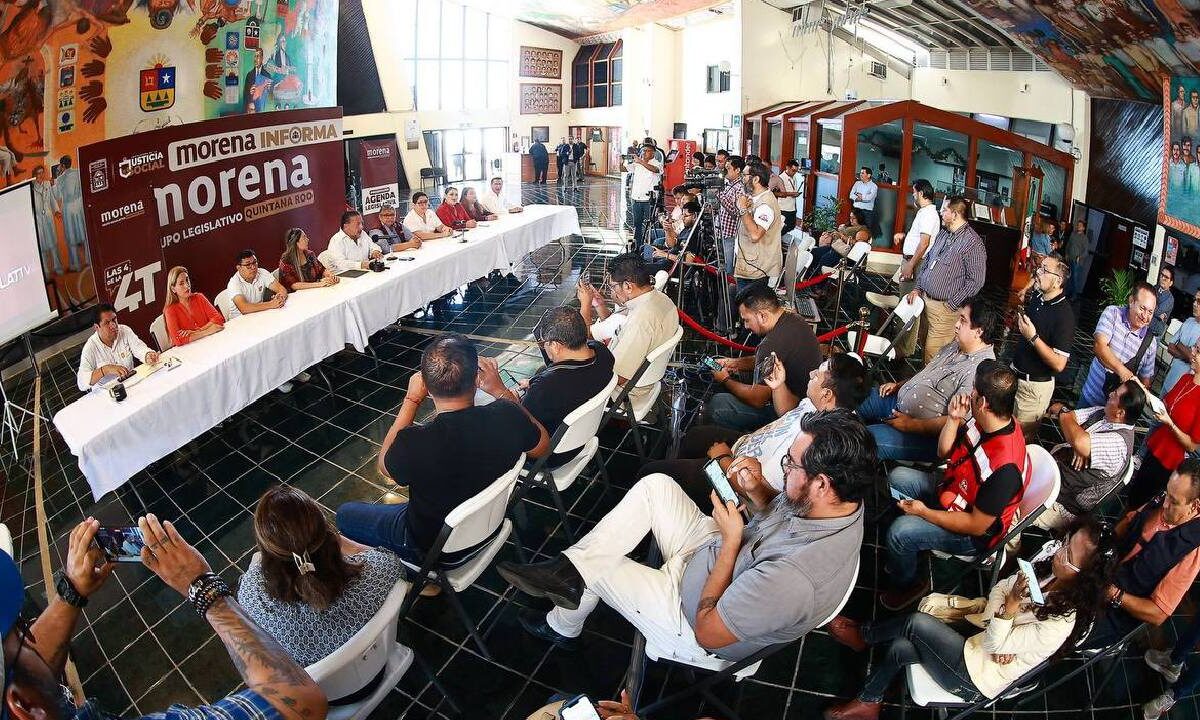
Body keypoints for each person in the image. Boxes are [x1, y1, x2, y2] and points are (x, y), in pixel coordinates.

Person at [497, 410, 877, 661]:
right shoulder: (839, 504)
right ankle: (568, 578)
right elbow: (781, 516)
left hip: (694, 618)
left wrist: (730, 542)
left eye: (790, 464)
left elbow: (711, 633)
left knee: (596, 564)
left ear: (822, 483)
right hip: (724, 554)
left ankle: (563, 620)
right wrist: (758, 488)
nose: (785, 467)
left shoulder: (797, 579)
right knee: (656, 484)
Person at [0, 517, 328, 720]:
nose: (33, 633)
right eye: (21, 634)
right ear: (26, 707)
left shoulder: (23, 696)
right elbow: (302, 703)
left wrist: (71, 592)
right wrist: (202, 587)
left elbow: (31, 671)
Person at [824, 518, 1114, 720]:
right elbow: (1000, 588)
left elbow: (997, 631)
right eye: (1064, 542)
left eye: (1068, 554)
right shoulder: (1050, 572)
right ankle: (869, 701)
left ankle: (864, 635)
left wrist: (1009, 609)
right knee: (901, 646)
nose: (1058, 551)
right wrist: (1000, 617)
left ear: (1084, 577)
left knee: (914, 623)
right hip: (976, 644)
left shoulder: (1061, 622)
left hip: (976, 680)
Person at [336, 334, 549, 564]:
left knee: (346, 515)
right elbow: (543, 447)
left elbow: (384, 466)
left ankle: (411, 569)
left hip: (436, 547)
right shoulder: (509, 413)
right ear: (478, 379)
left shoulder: (415, 443)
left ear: (425, 386)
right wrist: (501, 393)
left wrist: (411, 400)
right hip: (491, 525)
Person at [880, 360, 1029, 609]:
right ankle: (905, 554)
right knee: (898, 478)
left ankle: (909, 583)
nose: (969, 395)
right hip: (952, 489)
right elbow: (944, 451)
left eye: (974, 391)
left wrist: (924, 513)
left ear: (983, 403)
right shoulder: (987, 420)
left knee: (900, 532)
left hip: (972, 535)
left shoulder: (1005, 469)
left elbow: (975, 526)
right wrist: (952, 419)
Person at [643, 353, 869, 507]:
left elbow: (762, 499)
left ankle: (688, 502)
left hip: (737, 487)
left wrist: (723, 459)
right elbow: (787, 412)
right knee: (693, 437)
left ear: (828, 394)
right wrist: (778, 385)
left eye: (818, 374)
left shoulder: (819, 444)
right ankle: (686, 498)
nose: (812, 374)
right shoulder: (826, 403)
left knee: (652, 474)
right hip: (743, 450)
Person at [237, 486, 406, 666]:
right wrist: (344, 544)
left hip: (326, 692)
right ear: (328, 535)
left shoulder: (251, 596)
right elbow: (386, 560)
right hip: (385, 662)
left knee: (254, 560)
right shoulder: (384, 569)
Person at [857, 296, 998, 462]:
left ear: (978, 331)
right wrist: (900, 385)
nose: (956, 324)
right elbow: (929, 374)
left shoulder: (980, 370)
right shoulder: (957, 344)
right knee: (851, 395)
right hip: (898, 403)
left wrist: (912, 425)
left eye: (962, 320)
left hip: (924, 434)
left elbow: (958, 421)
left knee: (862, 443)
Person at [1079, 461, 1200, 651]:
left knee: (1056, 630)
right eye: (1167, 493)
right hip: (1101, 574)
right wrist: (1098, 547)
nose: (1165, 504)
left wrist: (1115, 594)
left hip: (1114, 613)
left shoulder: (1191, 548)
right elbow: (1129, 521)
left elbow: (1157, 613)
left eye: (1174, 502)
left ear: (1195, 507)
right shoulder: (1165, 498)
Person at [476, 307, 615, 468]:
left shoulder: (547, 386)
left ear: (555, 345)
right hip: (584, 435)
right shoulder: (602, 352)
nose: (544, 346)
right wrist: (534, 384)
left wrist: (503, 393)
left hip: (552, 454)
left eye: (544, 342)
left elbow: (522, 424)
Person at [706, 282, 821, 431]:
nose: (746, 326)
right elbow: (767, 360)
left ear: (762, 316)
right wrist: (734, 363)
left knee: (718, 405)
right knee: (743, 377)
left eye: (747, 320)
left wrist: (725, 379)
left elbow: (757, 399)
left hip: (791, 417)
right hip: (803, 404)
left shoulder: (771, 343)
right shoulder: (792, 319)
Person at [1038, 382, 1142, 532]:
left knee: (1012, 512)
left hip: (1061, 503)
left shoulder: (1118, 445)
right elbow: (1071, 416)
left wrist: (1076, 438)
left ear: (1120, 413)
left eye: (1115, 395)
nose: (1110, 393)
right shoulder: (1103, 412)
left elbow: (1077, 437)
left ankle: (1008, 551)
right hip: (1052, 474)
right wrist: (1076, 439)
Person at [576, 253, 679, 403]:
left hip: (625, 394)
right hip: (644, 381)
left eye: (613, 286)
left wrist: (585, 305)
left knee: (558, 370)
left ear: (628, 286)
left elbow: (617, 378)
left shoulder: (641, 320)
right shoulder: (662, 299)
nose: (613, 291)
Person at [909, 196, 987, 363]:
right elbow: (928, 260)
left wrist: (952, 304)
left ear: (956, 214)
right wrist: (918, 288)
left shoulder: (973, 243)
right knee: (924, 345)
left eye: (944, 210)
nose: (941, 212)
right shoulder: (944, 234)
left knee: (933, 354)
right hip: (925, 301)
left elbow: (976, 281)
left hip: (946, 309)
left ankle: (928, 387)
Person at [1126, 342, 1200, 509]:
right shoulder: (1186, 379)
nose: (1192, 352)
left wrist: (1170, 423)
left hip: (1170, 461)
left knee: (1143, 505)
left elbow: (1191, 446)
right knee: (1134, 493)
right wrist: (1143, 390)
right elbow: (1165, 405)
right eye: (1195, 347)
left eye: (1198, 350)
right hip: (1156, 447)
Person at [1011, 254, 1075, 435]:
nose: (1038, 272)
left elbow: (1059, 364)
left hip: (1033, 390)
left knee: (1020, 439)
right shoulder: (1039, 296)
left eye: (1044, 270)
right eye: (1040, 267)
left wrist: (1033, 337)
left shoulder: (1065, 317)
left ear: (1057, 281)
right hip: (1015, 376)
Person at [1080, 282, 1158, 407]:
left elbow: (1145, 380)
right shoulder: (1113, 313)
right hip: (1091, 397)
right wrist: (1123, 372)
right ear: (1131, 301)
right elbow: (1099, 347)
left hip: (1116, 412)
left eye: (1150, 312)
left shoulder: (1150, 343)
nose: (1145, 316)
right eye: (1142, 308)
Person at [890, 179, 940, 359]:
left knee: (909, 305)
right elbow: (920, 238)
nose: (912, 195)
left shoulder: (928, 214)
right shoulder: (924, 213)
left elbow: (924, 243)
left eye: (914, 192)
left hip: (915, 263)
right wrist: (904, 236)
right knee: (906, 302)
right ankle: (903, 344)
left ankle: (904, 348)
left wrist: (910, 265)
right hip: (912, 261)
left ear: (921, 193)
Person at [76, 303, 160, 391]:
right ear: (97, 327)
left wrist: (147, 355)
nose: (113, 325)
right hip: (106, 393)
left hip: (131, 384)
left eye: (114, 319)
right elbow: (81, 383)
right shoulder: (90, 347)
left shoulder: (124, 330)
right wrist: (105, 369)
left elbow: (139, 349)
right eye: (107, 323)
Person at [732, 163, 783, 292]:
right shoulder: (757, 199)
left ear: (756, 179)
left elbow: (755, 235)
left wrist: (743, 209)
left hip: (756, 270)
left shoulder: (765, 205)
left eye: (744, 175)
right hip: (750, 266)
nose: (741, 178)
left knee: (749, 309)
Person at [163, 265, 224, 347]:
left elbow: (218, 319)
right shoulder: (170, 310)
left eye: (187, 280)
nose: (187, 285)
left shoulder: (199, 297)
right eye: (181, 283)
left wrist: (196, 332)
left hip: (211, 343)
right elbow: (178, 340)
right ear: (173, 289)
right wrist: (208, 331)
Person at [222, 249, 288, 319]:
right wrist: (271, 304)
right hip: (240, 320)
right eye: (248, 265)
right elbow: (244, 308)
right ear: (239, 268)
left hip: (259, 314)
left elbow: (281, 289)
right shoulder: (234, 283)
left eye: (254, 262)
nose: (253, 267)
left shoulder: (262, 272)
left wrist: (280, 298)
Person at [622, 143, 664, 245]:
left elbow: (655, 170)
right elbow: (623, 169)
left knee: (651, 224)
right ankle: (638, 245)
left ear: (653, 152)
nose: (644, 153)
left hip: (649, 200)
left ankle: (652, 245)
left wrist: (640, 161)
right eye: (643, 150)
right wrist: (620, 162)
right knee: (637, 224)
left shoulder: (657, 163)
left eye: (647, 151)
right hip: (636, 199)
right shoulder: (637, 164)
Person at [715, 156, 747, 278]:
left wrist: (719, 194)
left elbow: (736, 212)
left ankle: (729, 293)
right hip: (721, 230)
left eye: (728, 168)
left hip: (730, 233)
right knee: (721, 265)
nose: (725, 171)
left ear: (737, 170)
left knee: (729, 267)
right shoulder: (728, 184)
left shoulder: (740, 188)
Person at [56, 155, 88, 272]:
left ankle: (76, 265)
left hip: (69, 207)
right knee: (84, 233)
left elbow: (57, 196)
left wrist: (57, 178)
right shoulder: (78, 172)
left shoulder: (60, 179)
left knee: (71, 237)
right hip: (79, 205)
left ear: (63, 165)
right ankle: (89, 261)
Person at [1164, 294, 1200, 394]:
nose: (1194, 304)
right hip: (1170, 377)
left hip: (1184, 387)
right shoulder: (1188, 321)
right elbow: (1171, 347)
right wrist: (1187, 355)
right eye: (1194, 300)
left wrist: (1180, 346)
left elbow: (1194, 360)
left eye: (1199, 301)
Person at [32, 165, 61, 276]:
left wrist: (56, 211)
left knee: (52, 242)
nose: (41, 175)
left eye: (42, 173)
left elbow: (52, 200)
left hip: (48, 218)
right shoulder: (31, 188)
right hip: (38, 220)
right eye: (38, 173)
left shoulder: (48, 184)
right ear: (34, 175)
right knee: (42, 245)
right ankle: (46, 270)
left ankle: (57, 267)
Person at [848, 166, 878, 239]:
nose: (860, 174)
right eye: (860, 173)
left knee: (864, 232)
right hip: (856, 210)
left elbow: (869, 199)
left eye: (862, 173)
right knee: (853, 231)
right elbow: (851, 195)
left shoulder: (874, 186)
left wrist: (859, 196)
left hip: (867, 213)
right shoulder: (857, 183)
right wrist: (861, 197)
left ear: (868, 175)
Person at [775, 159, 802, 236]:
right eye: (793, 170)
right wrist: (791, 194)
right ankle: (776, 239)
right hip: (783, 207)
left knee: (792, 226)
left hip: (792, 207)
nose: (794, 173)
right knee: (782, 226)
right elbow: (775, 193)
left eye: (796, 171)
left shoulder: (794, 178)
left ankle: (778, 238)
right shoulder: (780, 178)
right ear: (787, 167)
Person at [1065, 219, 1090, 298]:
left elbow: (1086, 252)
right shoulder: (1073, 234)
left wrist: (1080, 257)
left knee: (1075, 278)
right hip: (1070, 258)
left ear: (1083, 228)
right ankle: (1067, 292)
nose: (1078, 227)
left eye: (1080, 226)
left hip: (1077, 262)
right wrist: (1066, 253)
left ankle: (1074, 295)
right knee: (1068, 276)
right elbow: (1069, 244)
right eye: (1078, 225)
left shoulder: (1085, 238)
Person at [1152, 267, 1176, 338]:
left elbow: (1157, 311)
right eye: (1162, 275)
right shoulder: (1154, 288)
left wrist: (1150, 305)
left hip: (1155, 332)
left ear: (1171, 283)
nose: (1163, 278)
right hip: (1145, 325)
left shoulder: (1170, 299)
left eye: (1166, 277)